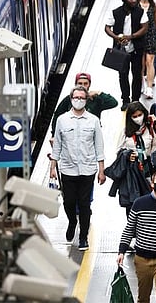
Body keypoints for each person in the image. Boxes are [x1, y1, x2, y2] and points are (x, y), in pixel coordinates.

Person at [50, 85, 106, 250]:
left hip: (88, 169)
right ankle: (72, 222)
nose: (79, 101)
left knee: (84, 205)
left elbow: (99, 146)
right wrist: (53, 167)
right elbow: (57, 145)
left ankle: (83, 238)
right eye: (76, 98)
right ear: (71, 99)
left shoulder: (93, 120)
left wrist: (101, 169)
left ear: (86, 99)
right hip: (68, 169)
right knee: (68, 202)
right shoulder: (62, 120)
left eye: (82, 98)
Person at [117, 170, 156, 303]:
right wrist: (121, 251)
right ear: (152, 184)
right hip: (142, 259)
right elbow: (129, 229)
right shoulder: (139, 203)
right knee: (143, 298)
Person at [113, 102, 156, 216]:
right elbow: (118, 151)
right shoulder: (125, 132)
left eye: (140, 115)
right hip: (132, 171)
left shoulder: (150, 129)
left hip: (147, 168)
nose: (138, 118)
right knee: (133, 204)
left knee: (149, 200)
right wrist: (128, 155)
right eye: (134, 116)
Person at [104, 0, 148, 111]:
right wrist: (116, 38)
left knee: (137, 75)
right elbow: (107, 27)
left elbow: (144, 27)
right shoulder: (115, 12)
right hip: (121, 50)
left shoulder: (140, 12)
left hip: (136, 49)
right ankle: (125, 100)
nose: (134, 1)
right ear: (124, 0)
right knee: (123, 75)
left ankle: (135, 100)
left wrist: (131, 37)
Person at [50, 72, 118, 143]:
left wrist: (99, 93)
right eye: (80, 83)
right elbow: (57, 115)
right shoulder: (69, 99)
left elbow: (113, 103)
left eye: (85, 83)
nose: (83, 86)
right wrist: (54, 134)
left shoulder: (95, 100)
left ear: (89, 85)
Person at [137, 0, 156, 99]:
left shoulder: (153, 6)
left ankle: (149, 87)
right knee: (141, 63)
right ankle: (142, 84)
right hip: (140, 36)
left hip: (152, 35)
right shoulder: (136, 6)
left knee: (150, 61)